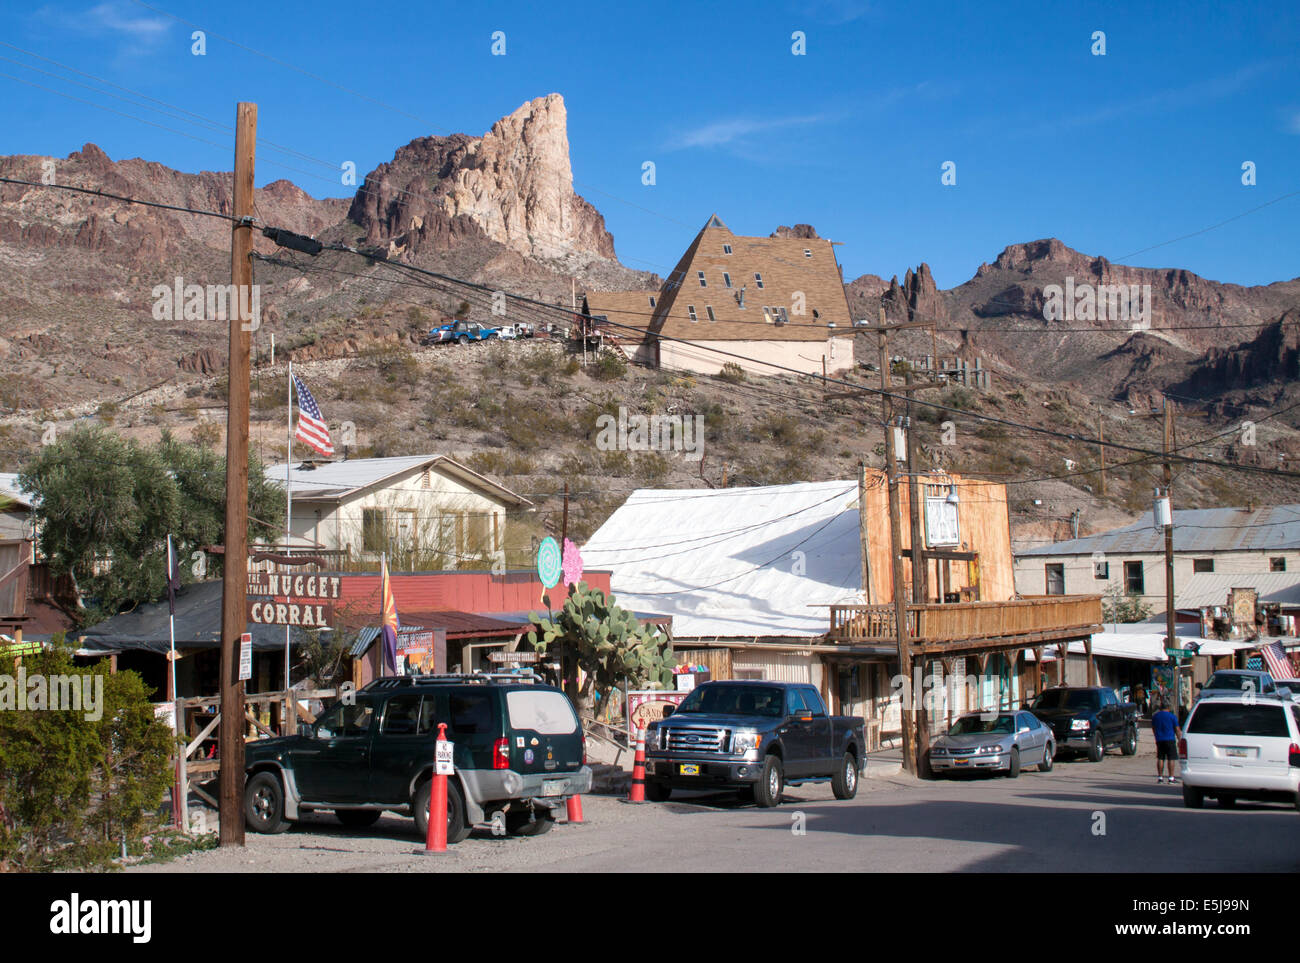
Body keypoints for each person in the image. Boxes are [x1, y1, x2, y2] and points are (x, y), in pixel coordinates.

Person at [1151, 700, 1182, 784]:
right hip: (1170, 739)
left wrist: (1156, 736)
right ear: (1168, 707)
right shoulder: (1172, 716)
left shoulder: (1155, 716)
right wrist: (1180, 740)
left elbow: (1153, 728)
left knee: (1160, 758)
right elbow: (1177, 730)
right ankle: (1171, 778)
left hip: (1159, 739)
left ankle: (1160, 777)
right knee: (1171, 758)